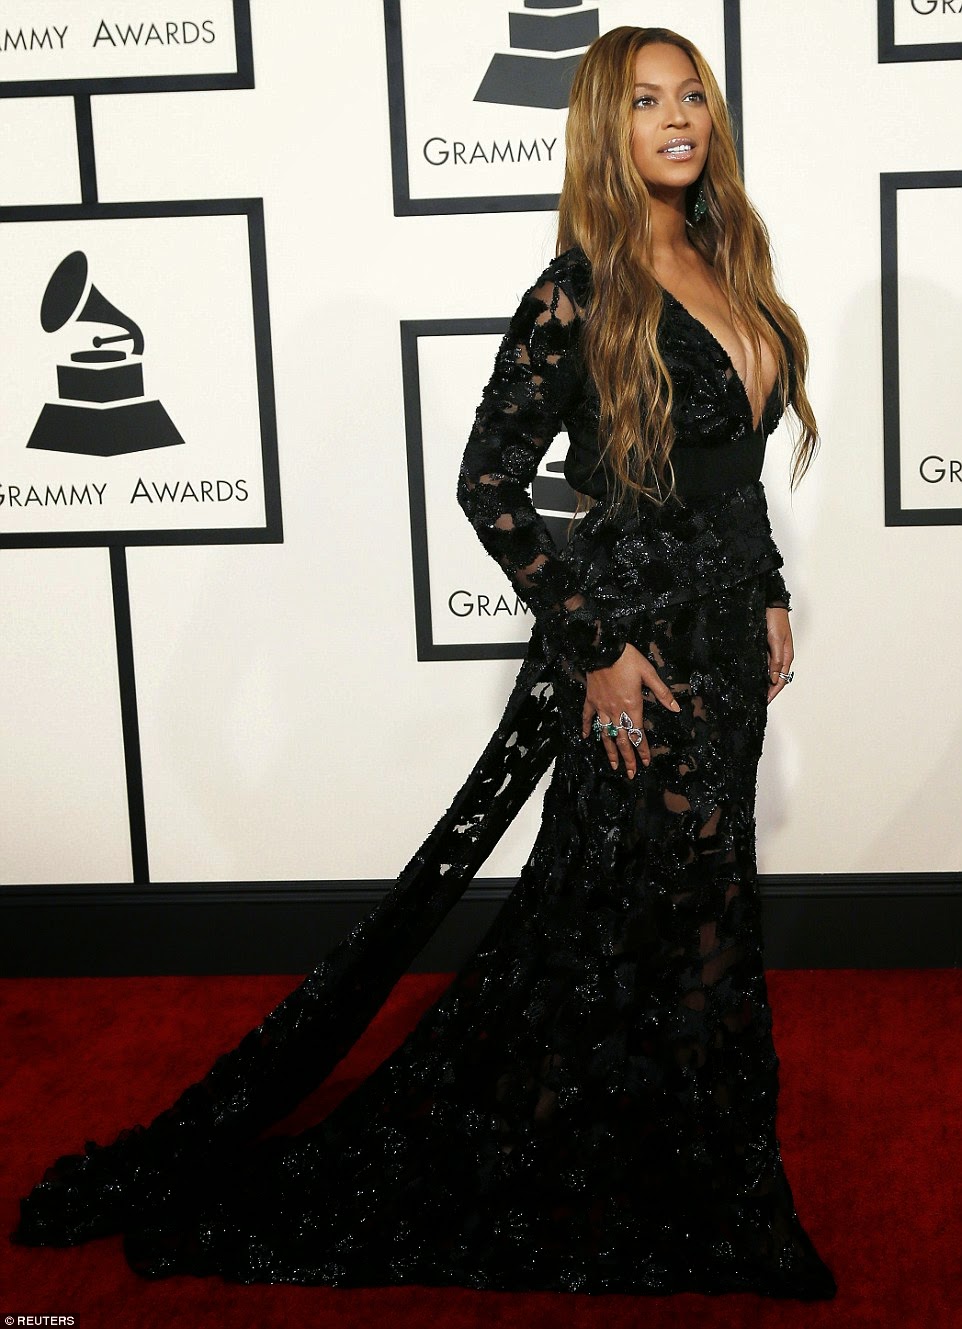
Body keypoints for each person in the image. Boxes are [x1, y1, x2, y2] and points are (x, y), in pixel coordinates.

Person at [10, 26, 838, 1300]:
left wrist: (769, 589)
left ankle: (678, 1161)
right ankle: (693, 1184)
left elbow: (727, 477)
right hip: (637, 655)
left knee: (684, 901)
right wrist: (593, 648)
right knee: (641, 915)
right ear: (603, 127)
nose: (676, 118)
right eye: (642, 100)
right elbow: (487, 483)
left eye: (690, 96)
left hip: (724, 645)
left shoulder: (730, 260)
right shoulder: (577, 292)